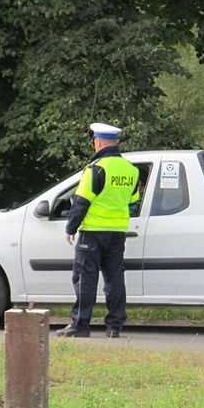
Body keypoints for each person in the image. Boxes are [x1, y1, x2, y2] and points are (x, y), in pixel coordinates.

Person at [56, 122, 140, 338]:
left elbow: (81, 202)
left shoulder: (96, 169)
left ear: (99, 143)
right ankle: (114, 327)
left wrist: (70, 227)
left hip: (92, 232)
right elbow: (133, 201)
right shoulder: (131, 170)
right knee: (114, 279)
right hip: (117, 232)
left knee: (85, 278)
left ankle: (80, 325)